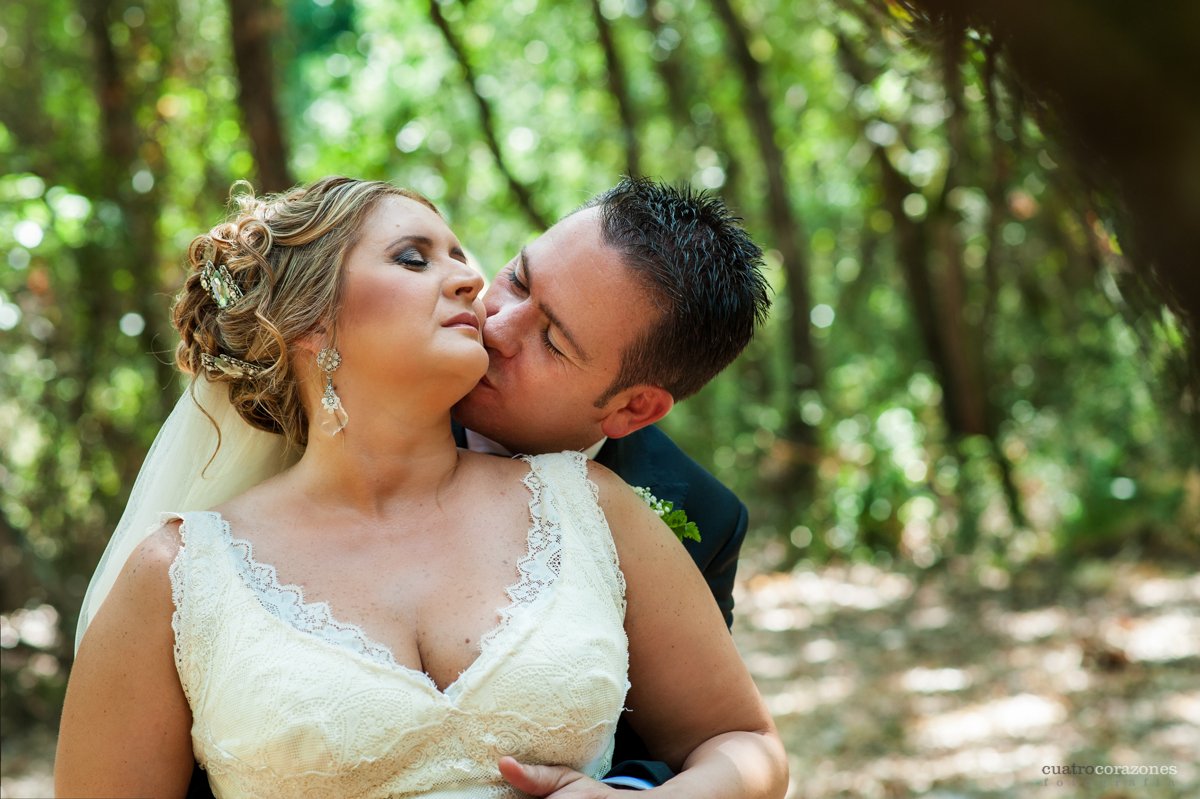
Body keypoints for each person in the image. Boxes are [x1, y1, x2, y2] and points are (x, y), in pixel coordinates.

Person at [55, 177, 787, 798]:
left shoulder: (597, 503)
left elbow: (739, 737)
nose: (486, 301)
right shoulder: (179, 575)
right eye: (416, 258)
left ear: (631, 408)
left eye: (553, 339)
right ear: (307, 320)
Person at [450, 177, 772, 788]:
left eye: (550, 340)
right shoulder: (383, 388)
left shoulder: (695, 513)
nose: (495, 327)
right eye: (517, 278)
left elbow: (676, 740)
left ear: (633, 410)